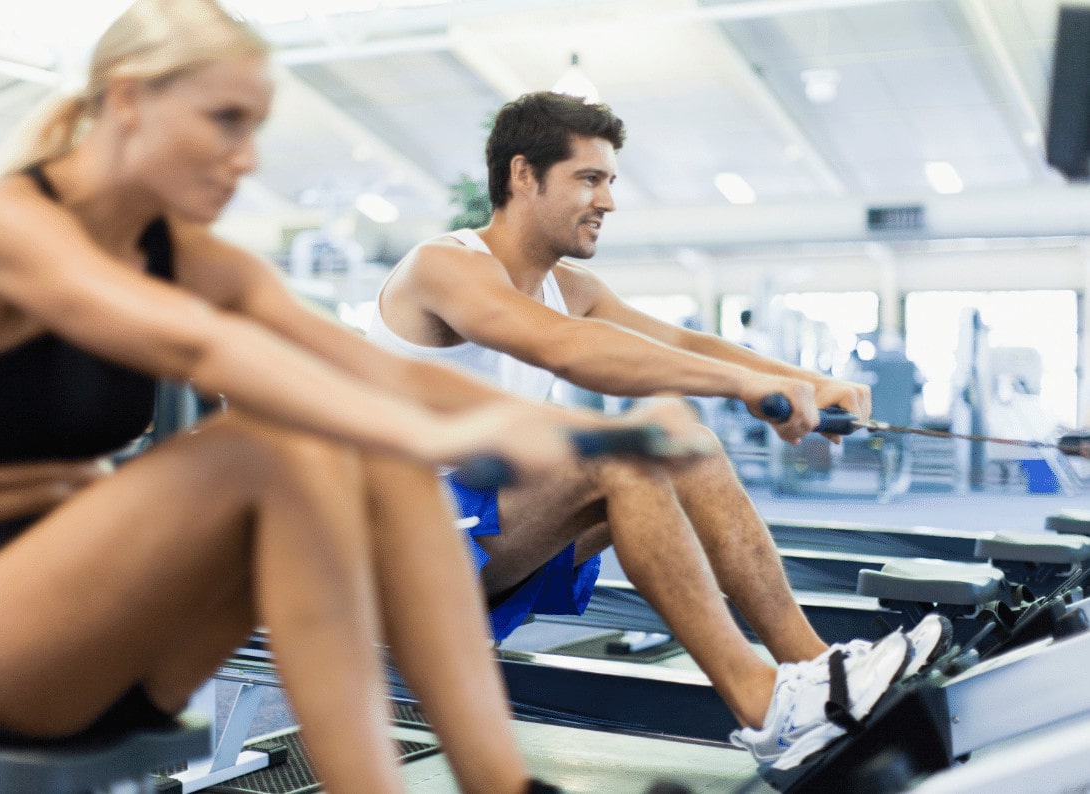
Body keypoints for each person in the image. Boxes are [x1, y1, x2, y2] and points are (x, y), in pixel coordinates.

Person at [0, 7, 702, 793]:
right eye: (225, 121)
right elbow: (202, 347)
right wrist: (435, 433)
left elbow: (370, 368)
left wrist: (578, 433)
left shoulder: (187, 254)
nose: (245, 159)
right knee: (264, 445)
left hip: (121, 635)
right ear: (128, 101)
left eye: (255, 129)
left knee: (367, 459)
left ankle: (496, 782)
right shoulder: (15, 225)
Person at [367, 91, 952, 772]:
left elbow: (681, 341)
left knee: (676, 430)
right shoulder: (445, 266)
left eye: (610, 180)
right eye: (588, 178)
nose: (608, 201)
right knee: (628, 451)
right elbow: (560, 347)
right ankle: (764, 707)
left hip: (485, 538)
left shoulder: (571, 286)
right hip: (396, 554)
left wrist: (803, 379)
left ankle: (815, 673)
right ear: (523, 175)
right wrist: (744, 387)